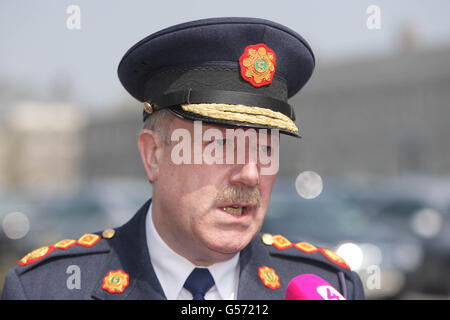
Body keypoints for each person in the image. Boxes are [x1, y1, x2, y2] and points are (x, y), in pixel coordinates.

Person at [1, 17, 365, 300]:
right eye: (220, 145)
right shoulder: (50, 289)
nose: (251, 174)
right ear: (154, 155)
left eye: (266, 149)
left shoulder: (328, 286)